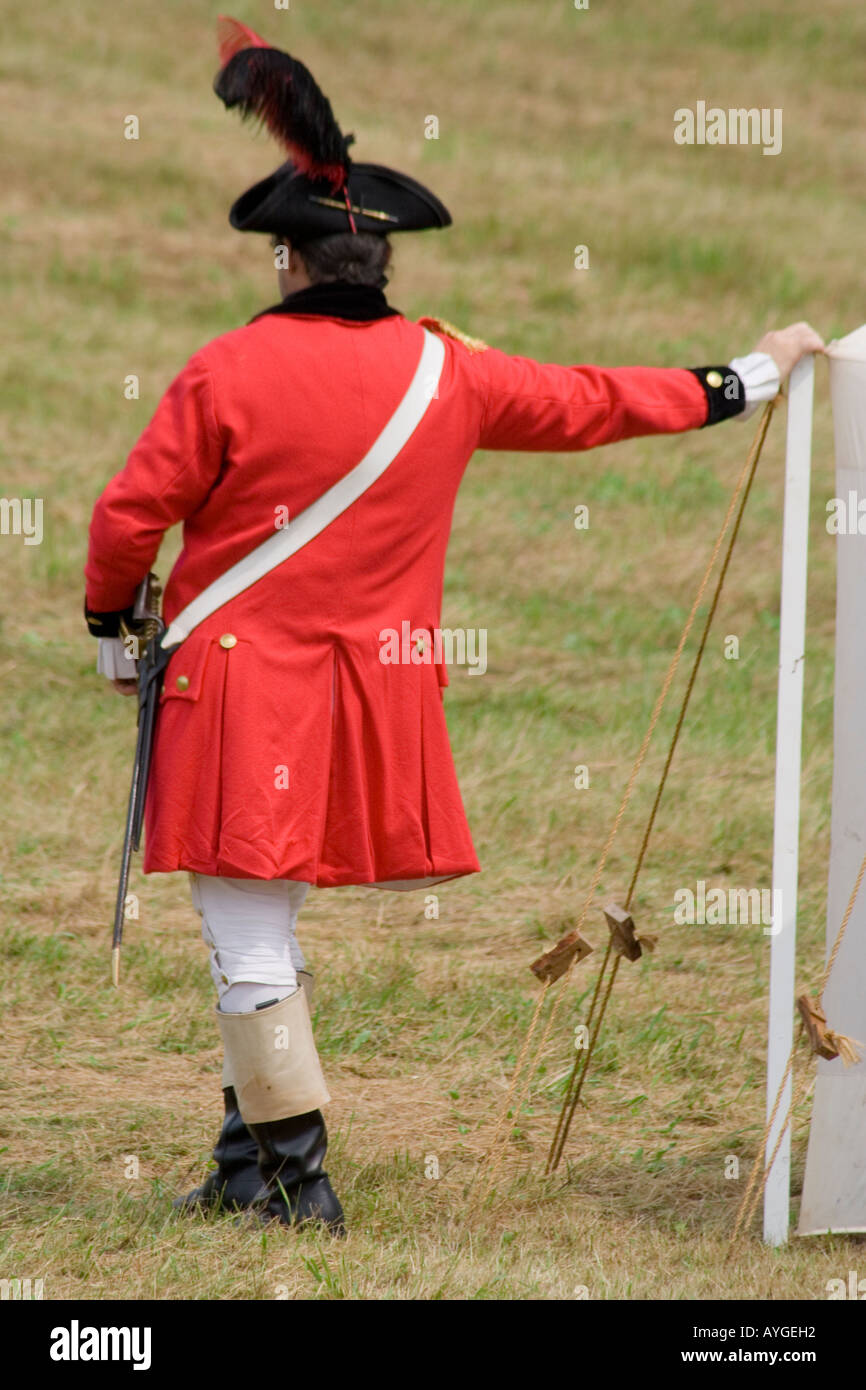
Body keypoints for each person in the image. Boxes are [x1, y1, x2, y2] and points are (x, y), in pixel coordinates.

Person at [83, 17, 824, 1237]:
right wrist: (744, 374)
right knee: (262, 928)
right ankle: (242, 1161)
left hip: (239, 685)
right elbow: (595, 402)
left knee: (246, 933)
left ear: (287, 262)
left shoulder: (225, 373)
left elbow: (127, 519)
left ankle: (291, 1182)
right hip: (367, 693)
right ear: (382, 265)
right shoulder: (450, 374)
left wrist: (117, 631)